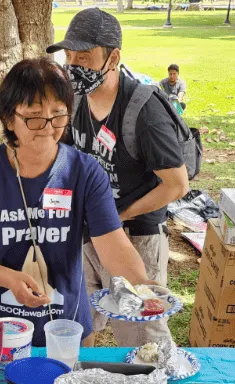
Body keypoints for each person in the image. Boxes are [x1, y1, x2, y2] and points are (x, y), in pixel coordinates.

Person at [0, 57, 158, 347]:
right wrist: (10, 278)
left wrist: (141, 285)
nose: (48, 127)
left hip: (69, 324)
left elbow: (112, 244)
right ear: (10, 118)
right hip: (4, 329)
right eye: (34, 116)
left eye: (58, 115)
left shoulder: (84, 172)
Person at [47, 8, 189, 346]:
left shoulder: (145, 110)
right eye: (70, 56)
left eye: (84, 57)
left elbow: (177, 184)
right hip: (86, 236)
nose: (74, 65)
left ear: (113, 57)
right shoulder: (76, 101)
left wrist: (117, 215)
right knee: (76, 326)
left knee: (141, 334)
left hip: (135, 237)